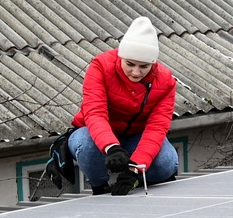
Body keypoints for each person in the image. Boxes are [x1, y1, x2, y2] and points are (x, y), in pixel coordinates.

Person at [68, 16, 180, 194]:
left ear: (153, 63)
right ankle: (99, 186)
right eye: (130, 64)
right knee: (86, 146)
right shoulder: (100, 67)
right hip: (94, 133)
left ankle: (132, 179)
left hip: (136, 136)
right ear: (121, 56)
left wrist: (135, 171)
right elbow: (95, 113)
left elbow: (157, 128)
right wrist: (111, 147)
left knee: (166, 163)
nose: (136, 72)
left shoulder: (166, 82)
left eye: (144, 66)